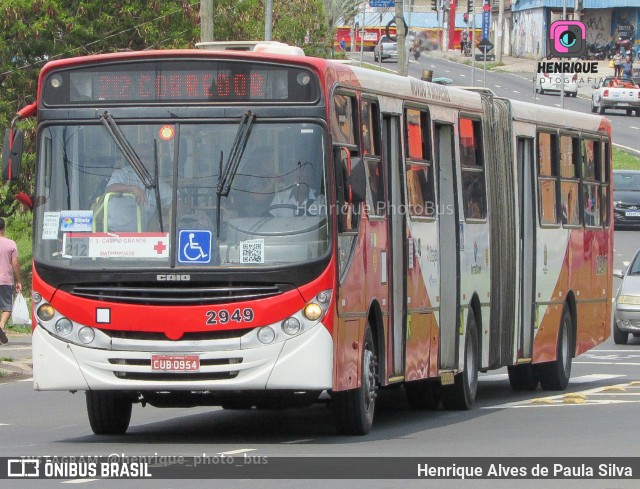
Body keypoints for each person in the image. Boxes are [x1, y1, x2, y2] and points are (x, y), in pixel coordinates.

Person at [105, 148, 171, 232]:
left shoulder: (155, 181)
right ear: (132, 159)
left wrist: (173, 220)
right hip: (113, 235)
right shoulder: (121, 174)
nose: (144, 161)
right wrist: (132, 188)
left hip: (141, 236)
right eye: (140, 158)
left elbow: (175, 199)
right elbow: (110, 188)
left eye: (147, 158)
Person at [0, 217, 22, 344]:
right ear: (4, 228)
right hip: (5, 280)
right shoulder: (11, 243)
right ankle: (1, 326)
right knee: (7, 307)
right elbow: (15, 264)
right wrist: (18, 280)